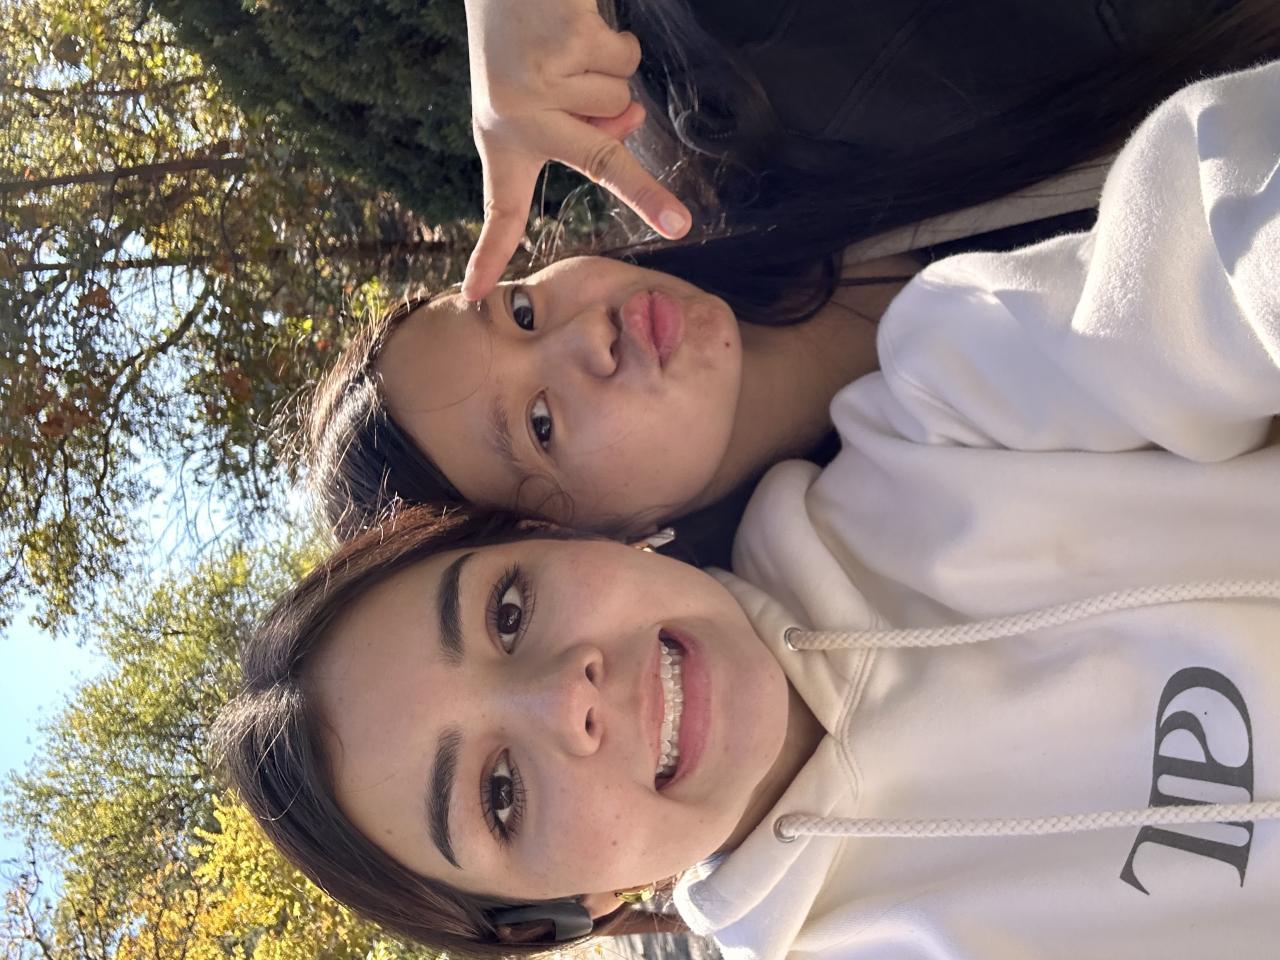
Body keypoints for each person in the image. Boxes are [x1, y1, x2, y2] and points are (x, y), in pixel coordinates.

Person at [224, 59, 1280, 959]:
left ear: (565, 539)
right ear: (572, 915)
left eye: (507, 612)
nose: (564, 697)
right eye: (499, 793)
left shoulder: (923, 421)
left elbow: (1206, 264)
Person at [308, 0, 1279, 556]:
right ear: (594, 551)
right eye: (540, 425)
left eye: (520, 311)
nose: (581, 335)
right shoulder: (933, 554)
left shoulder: (728, 77)